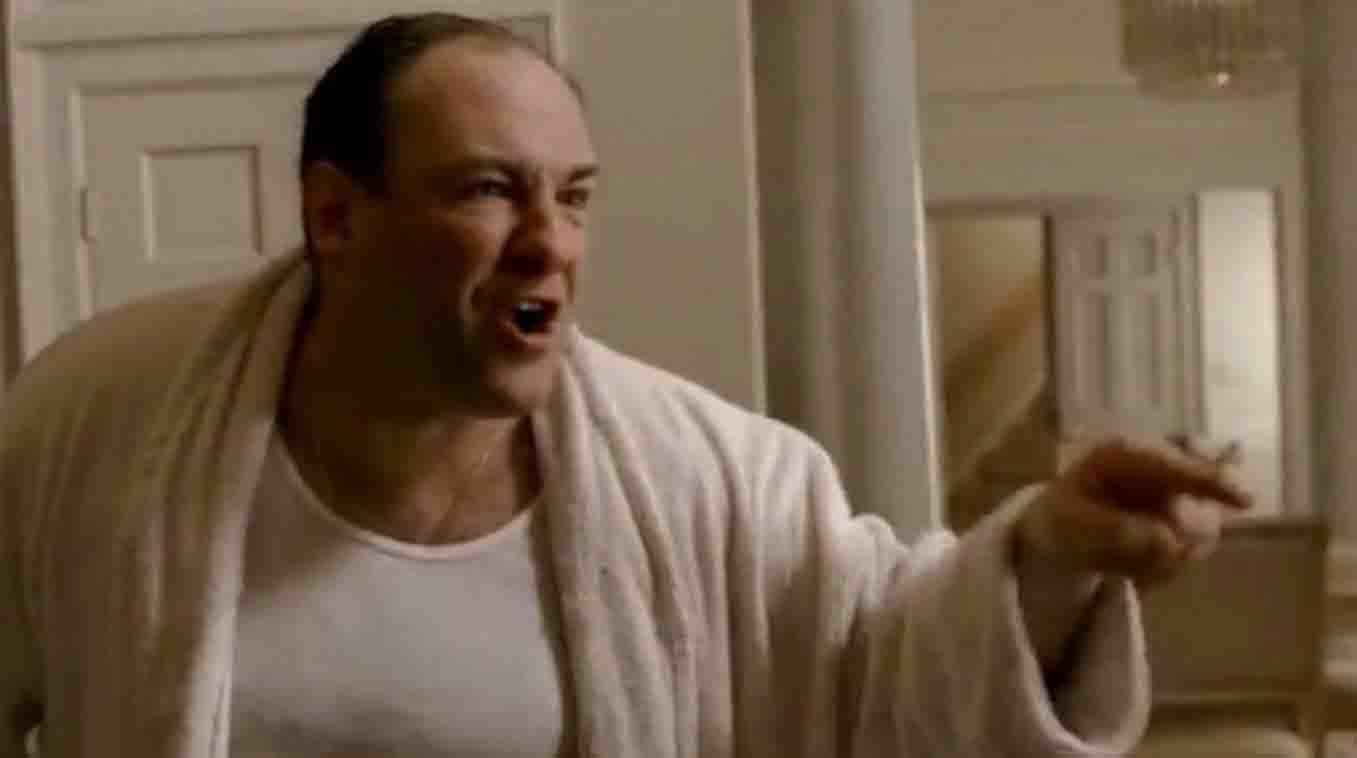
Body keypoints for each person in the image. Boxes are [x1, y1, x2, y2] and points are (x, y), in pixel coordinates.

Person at [0, 12, 1247, 758]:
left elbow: (886, 671)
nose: (551, 241)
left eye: (575, 195)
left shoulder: (715, 480)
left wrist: (1050, 555)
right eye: (489, 189)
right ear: (338, 214)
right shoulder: (101, 418)